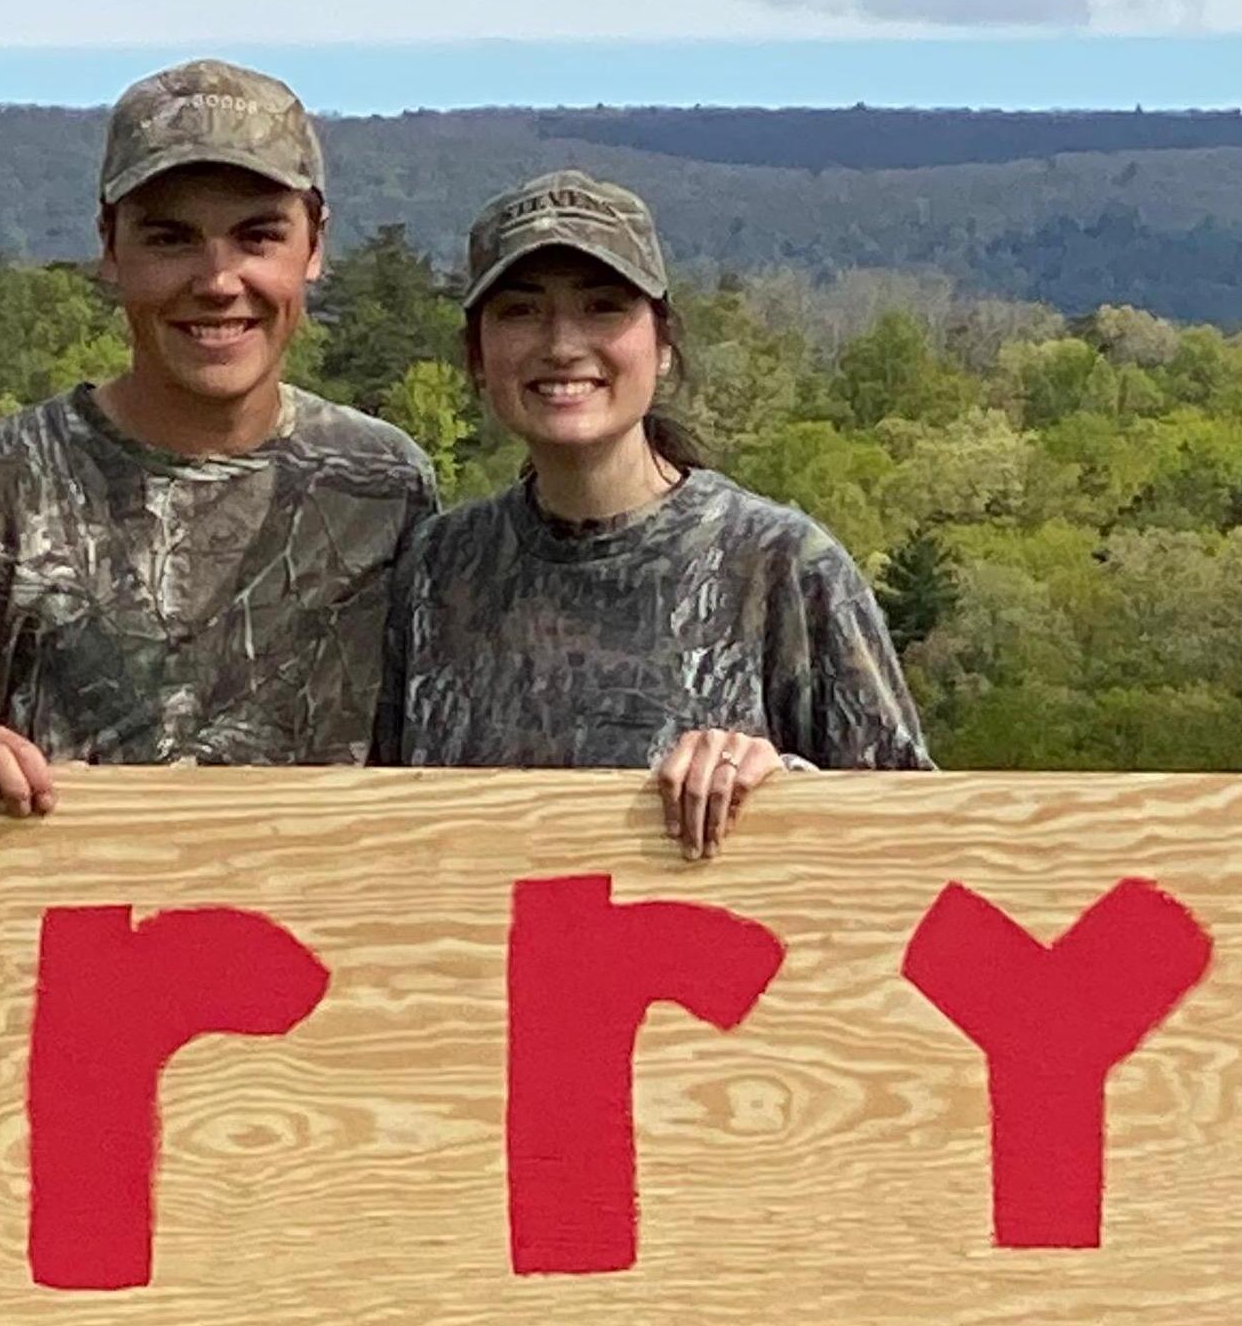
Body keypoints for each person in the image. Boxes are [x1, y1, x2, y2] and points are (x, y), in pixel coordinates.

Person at [0, 59, 435, 811]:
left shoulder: (380, 484)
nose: (217, 281)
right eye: (170, 239)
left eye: (257, 237)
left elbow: (433, 769)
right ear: (110, 247)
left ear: (314, 247)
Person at [373, 169, 932, 854]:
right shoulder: (436, 567)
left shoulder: (782, 566)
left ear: (662, 344)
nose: (561, 345)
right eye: (520, 311)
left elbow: (915, 839)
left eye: (603, 307)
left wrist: (781, 788)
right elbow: (374, 823)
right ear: (476, 356)